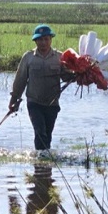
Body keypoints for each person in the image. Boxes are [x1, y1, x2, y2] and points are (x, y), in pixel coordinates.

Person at [9, 24, 69, 152]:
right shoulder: (28, 57)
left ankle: (44, 165)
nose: (43, 42)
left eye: (46, 39)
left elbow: (66, 77)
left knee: (47, 135)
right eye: (40, 40)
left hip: (52, 103)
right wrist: (14, 100)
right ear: (35, 41)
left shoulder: (59, 57)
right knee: (40, 133)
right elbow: (20, 80)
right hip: (34, 103)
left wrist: (78, 74)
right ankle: (41, 163)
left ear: (51, 40)